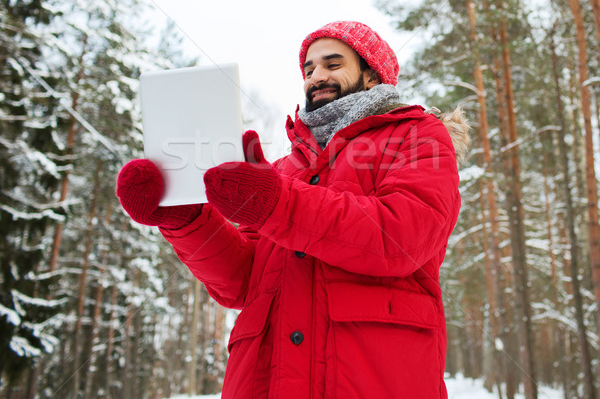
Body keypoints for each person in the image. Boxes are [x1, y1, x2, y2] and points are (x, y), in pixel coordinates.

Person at [116, 21, 470, 398]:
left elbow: (402, 238)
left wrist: (277, 203)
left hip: (372, 379)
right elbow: (243, 283)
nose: (317, 76)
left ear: (370, 75)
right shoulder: (286, 168)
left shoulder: (417, 136)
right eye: (309, 69)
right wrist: (185, 219)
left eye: (333, 65)